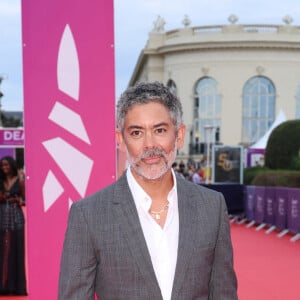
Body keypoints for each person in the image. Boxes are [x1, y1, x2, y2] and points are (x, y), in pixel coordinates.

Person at [58, 81, 238, 299]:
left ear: (179, 135)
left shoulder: (211, 206)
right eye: (136, 133)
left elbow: (224, 293)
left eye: (160, 130)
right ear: (121, 141)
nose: (149, 145)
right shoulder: (89, 215)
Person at [0, 156, 27, 295]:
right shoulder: (0, 180)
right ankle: (3, 286)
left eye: (6, 165)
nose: (4, 168)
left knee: (17, 250)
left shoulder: (20, 179)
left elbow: (25, 199)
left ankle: (17, 287)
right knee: (3, 252)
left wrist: (18, 200)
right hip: (2, 217)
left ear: (11, 165)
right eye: (2, 165)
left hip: (16, 218)